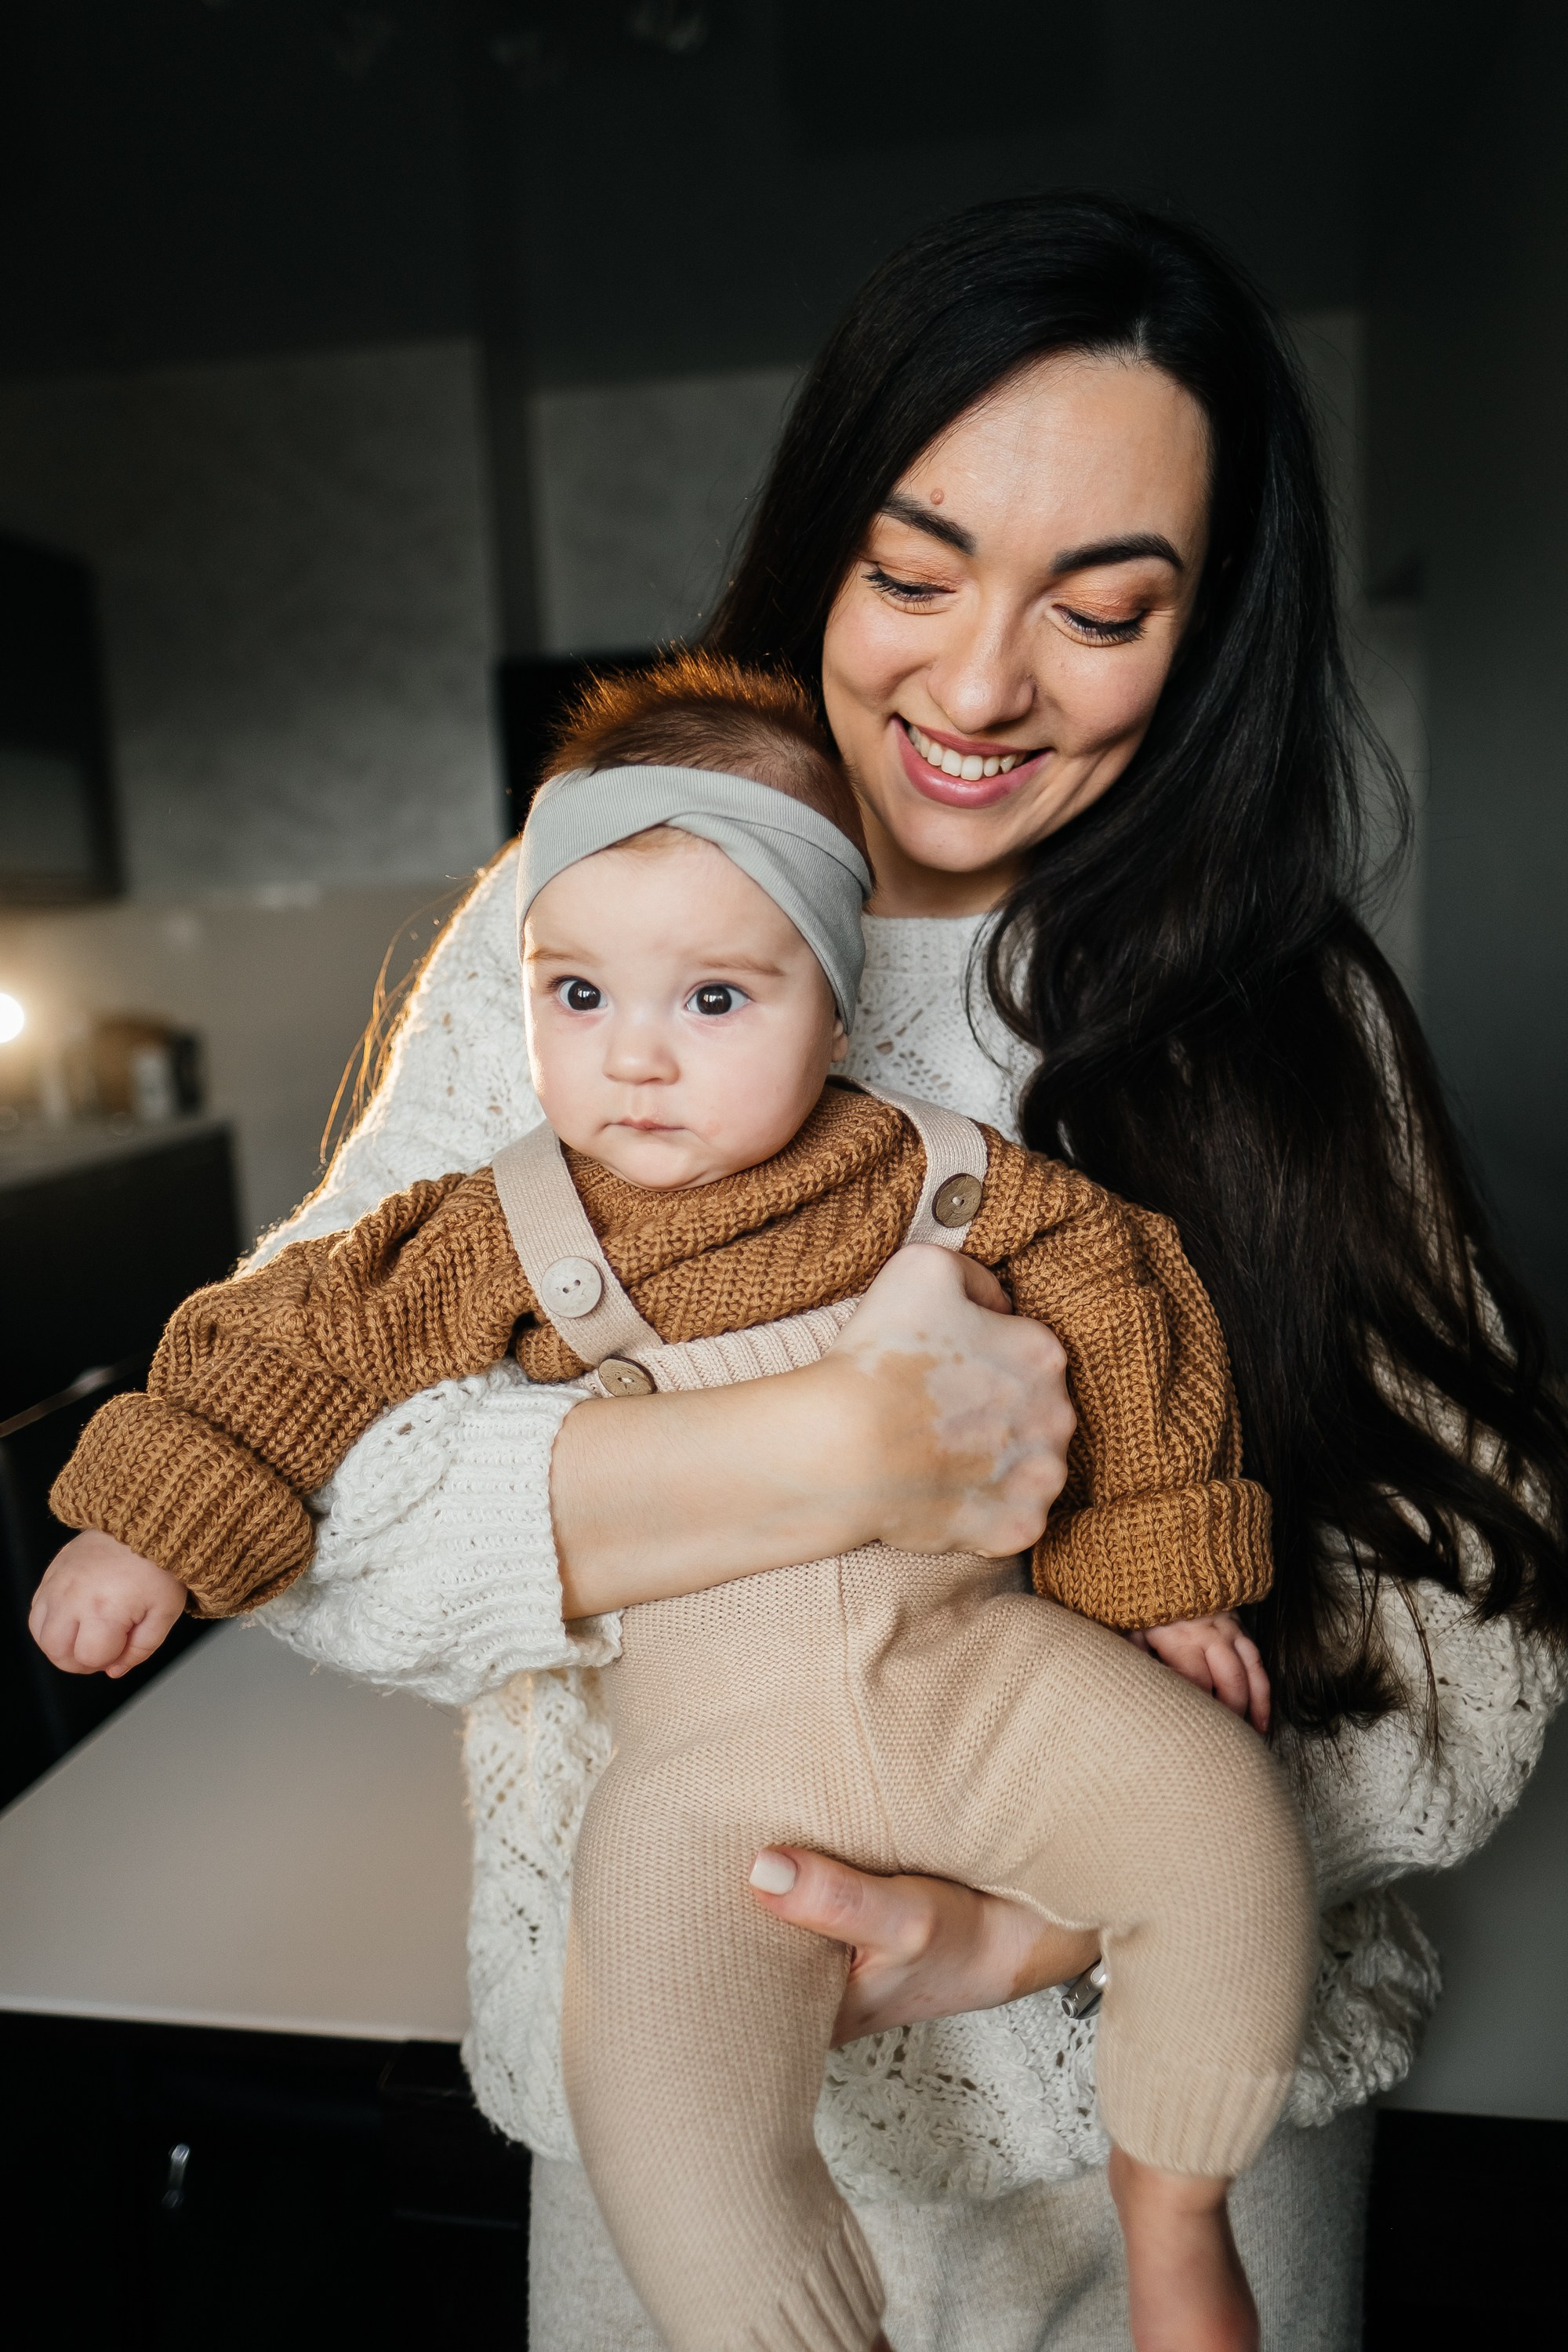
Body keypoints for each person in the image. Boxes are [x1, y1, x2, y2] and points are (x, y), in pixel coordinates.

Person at [33, 194, 1568, 2350]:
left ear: (1210, 630)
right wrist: (824, 1459)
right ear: (818, 537)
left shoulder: (1285, 1019)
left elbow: (1485, 1662)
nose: (974, 681)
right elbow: (312, 1478)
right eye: (912, 572)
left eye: (1102, 610)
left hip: (1189, 2128)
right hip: (687, 2126)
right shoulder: (576, 939)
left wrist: (1032, 1925)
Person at [42, 659, 1313, 2352]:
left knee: (1219, 1823)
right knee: (662, 2101)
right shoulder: (507, 1226)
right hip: (713, 1794)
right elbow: (301, 1338)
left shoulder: (935, 1174)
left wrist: (1164, 1572)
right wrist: (152, 1524)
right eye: (577, 998)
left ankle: (1175, 2213)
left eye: (712, 1002)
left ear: (835, 1007)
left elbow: (1122, 1278)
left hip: (981, 1691)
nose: (633, 1061)